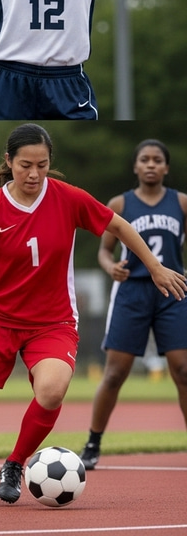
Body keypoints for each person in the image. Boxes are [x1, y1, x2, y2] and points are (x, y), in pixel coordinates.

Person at [0, 123, 187, 505]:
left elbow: (119, 226)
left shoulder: (67, 198)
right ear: (8, 161)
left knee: (52, 390)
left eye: (42, 165)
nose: (33, 173)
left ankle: (14, 463)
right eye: (25, 164)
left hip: (53, 322)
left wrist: (156, 267)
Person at [79, 139, 187, 471]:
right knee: (115, 373)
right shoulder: (121, 204)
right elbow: (104, 250)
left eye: (158, 160)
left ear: (166, 167)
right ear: (136, 166)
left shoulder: (181, 203)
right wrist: (110, 267)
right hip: (132, 293)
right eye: (145, 159)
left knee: (183, 371)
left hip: (172, 292)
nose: (151, 164)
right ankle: (93, 442)